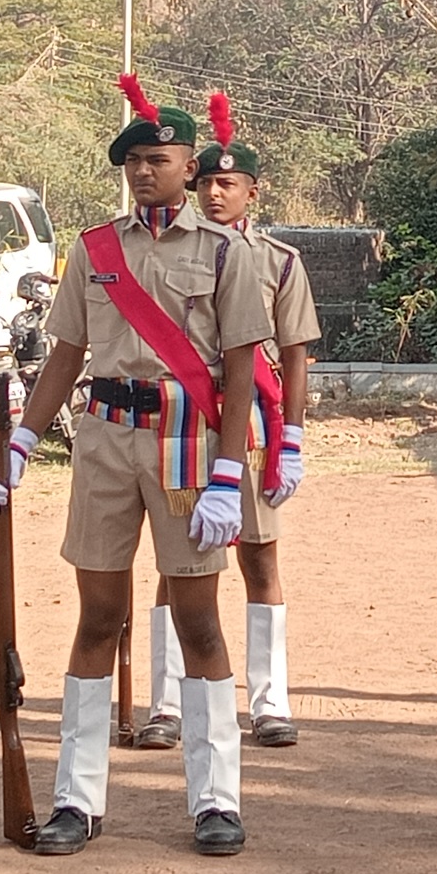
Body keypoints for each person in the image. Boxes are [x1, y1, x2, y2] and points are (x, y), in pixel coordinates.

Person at [0, 72, 272, 857]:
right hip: (106, 438)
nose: (144, 170)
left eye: (159, 157)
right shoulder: (95, 249)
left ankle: (216, 800)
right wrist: (21, 438)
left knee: (199, 620)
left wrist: (227, 469)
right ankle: (76, 800)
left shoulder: (224, 252)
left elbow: (242, 365)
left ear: (190, 166)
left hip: (188, 441)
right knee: (98, 618)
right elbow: (66, 351)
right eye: (133, 160)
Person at [141, 93, 320, 752]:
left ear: (252, 190)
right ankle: (165, 701)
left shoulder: (279, 260)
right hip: (187, 431)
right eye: (207, 180)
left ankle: (269, 699)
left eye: (229, 183)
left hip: (251, 434)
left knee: (259, 561)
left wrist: (292, 439)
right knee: (176, 564)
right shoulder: (174, 250)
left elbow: (296, 354)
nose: (215, 193)